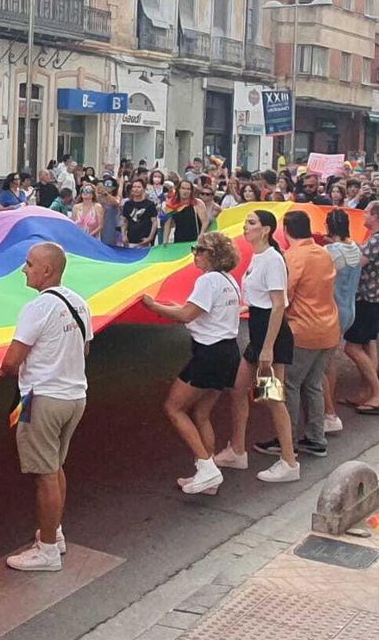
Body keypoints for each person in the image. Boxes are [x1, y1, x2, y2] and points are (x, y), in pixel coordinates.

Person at [3, 242, 92, 572]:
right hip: (74, 397)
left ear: (47, 270)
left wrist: (9, 369)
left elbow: (12, 361)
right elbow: (85, 351)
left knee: (44, 475)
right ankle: (55, 533)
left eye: (28, 264)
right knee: (55, 467)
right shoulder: (80, 303)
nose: (23, 269)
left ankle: (48, 549)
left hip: (42, 399)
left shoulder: (38, 308)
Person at [140, 231, 242, 495]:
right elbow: (197, 310)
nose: (195, 254)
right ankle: (209, 476)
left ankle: (207, 468)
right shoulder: (229, 281)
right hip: (228, 352)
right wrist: (169, 306)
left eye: (200, 250)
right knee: (201, 413)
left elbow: (186, 314)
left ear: (213, 255)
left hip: (210, 354)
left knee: (173, 407)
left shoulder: (208, 281)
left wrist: (153, 307)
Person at [256, 210, 338, 461]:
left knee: (285, 386)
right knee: (312, 385)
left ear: (284, 230)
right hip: (328, 328)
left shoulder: (291, 257)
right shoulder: (324, 253)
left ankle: (285, 440)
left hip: (300, 330)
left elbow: (282, 295)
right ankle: (315, 437)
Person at [234, 210, 300, 483]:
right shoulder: (258, 256)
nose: (245, 227)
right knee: (238, 390)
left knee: (273, 399)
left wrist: (268, 348)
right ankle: (237, 450)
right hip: (258, 332)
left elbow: (278, 305)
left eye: (251, 223)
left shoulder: (272, 259)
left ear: (266, 229)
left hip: (270, 337)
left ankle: (289, 460)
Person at [343, 201, 379, 414]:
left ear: (374, 215)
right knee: (367, 344)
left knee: (352, 347)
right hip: (377, 298)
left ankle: (377, 392)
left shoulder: (377, 240)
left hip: (367, 299)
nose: (363, 217)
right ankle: (369, 390)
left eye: (366, 213)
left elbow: (356, 264)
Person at [322, 208, 362, 431]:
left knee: (323, 365)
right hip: (349, 308)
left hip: (333, 309)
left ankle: (329, 412)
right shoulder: (354, 246)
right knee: (329, 362)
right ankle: (329, 409)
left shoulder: (330, 251)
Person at [162, 179, 205, 246]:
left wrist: (201, 235)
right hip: (179, 241)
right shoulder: (171, 204)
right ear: (178, 189)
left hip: (195, 240)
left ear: (191, 191)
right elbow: (168, 224)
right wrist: (165, 241)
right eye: (183, 188)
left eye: (188, 189)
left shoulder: (197, 203)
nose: (185, 191)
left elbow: (205, 222)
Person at [121, 178, 158, 248]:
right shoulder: (127, 204)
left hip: (144, 241)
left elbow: (154, 222)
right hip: (130, 241)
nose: (136, 189)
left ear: (144, 189)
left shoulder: (149, 204)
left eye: (139, 187)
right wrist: (123, 235)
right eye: (134, 187)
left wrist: (150, 238)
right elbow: (124, 221)